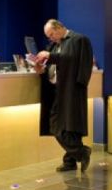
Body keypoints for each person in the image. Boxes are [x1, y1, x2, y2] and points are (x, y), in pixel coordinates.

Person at [34, 19, 94, 172]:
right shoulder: (55, 45)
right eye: (48, 36)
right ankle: (77, 155)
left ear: (58, 28)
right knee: (58, 126)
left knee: (70, 127)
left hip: (72, 90)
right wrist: (41, 69)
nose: (51, 38)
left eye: (51, 34)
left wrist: (50, 56)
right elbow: (53, 65)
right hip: (57, 91)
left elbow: (71, 60)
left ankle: (73, 158)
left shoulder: (79, 40)